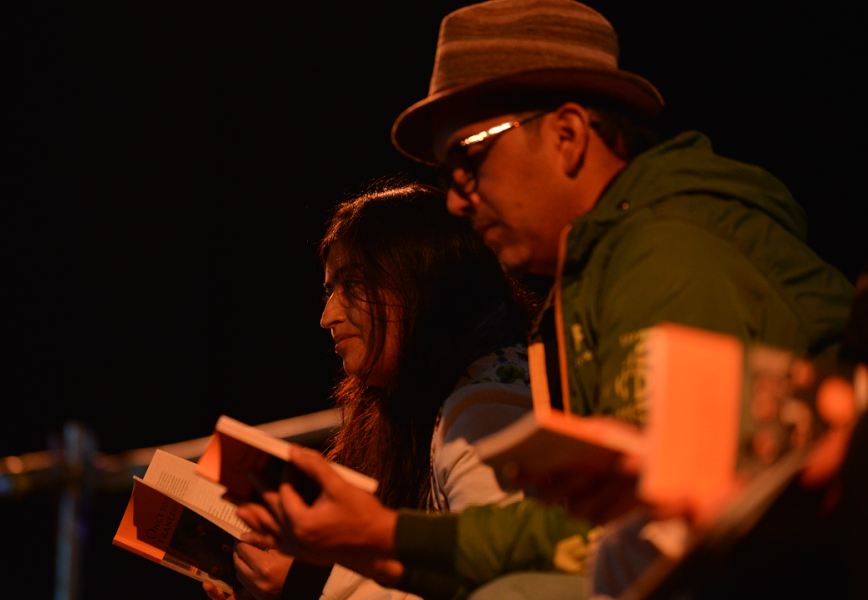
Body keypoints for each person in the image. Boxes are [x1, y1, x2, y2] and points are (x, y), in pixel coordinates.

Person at [236, 1, 856, 599]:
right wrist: (376, 540)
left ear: (567, 135)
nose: (455, 199)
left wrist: (374, 538)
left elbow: (657, 534)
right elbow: (599, 537)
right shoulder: (591, 279)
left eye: (469, 159)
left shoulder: (667, 255)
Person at [207, 181, 565, 600]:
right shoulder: (415, 402)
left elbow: (506, 586)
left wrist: (309, 582)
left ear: (420, 280)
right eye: (330, 291)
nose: (328, 317)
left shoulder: (485, 407)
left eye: (353, 286)